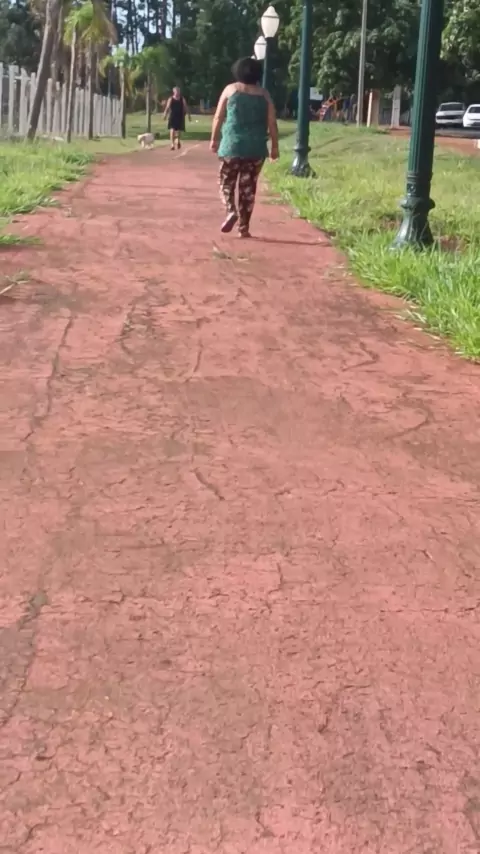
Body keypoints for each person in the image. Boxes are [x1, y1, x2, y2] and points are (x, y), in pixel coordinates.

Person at [210, 57, 279, 238]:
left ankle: (230, 210)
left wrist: (214, 139)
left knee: (226, 182)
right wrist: (274, 147)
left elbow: (218, 117)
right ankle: (244, 228)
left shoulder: (230, 90)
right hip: (256, 148)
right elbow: (272, 122)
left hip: (231, 146)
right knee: (248, 189)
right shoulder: (264, 95)